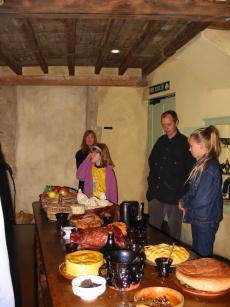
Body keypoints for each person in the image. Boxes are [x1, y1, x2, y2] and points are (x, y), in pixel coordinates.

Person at [146, 110, 195, 240]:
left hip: (175, 198)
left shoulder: (185, 144)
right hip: (156, 196)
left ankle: (175, 259)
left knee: (174, 235)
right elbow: (152, 163)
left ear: (176, 122)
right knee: (152, 233)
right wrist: (151, 191)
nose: (166, 128)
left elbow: (191, 172)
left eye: (169, 124)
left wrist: (183, 197)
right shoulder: (161, 141)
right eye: (163, 125)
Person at [179, 126, 223, 257]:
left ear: (202, 145)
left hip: (206, 219)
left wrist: (186, 205)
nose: (189, 149)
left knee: (203, 259)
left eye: (191, 145)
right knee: (198, 255)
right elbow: (193, 190)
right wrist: (183, 200)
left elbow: (202, 199)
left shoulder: (210, 167)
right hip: (200, 217)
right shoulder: (202, 164)